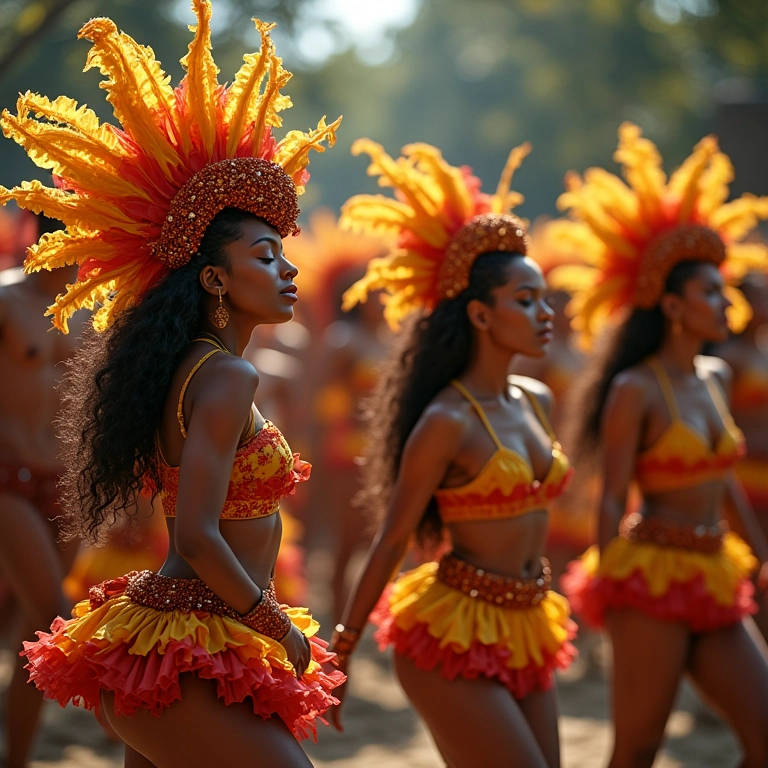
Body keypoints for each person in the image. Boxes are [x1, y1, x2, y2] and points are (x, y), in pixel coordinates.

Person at [5, 3, 343, 765]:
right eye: (266, 256)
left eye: (284, 256)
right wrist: (280, 625)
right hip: (195, 643)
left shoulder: (191, 365)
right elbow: (195, 533)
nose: (289, 271)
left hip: (183, 639)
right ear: (217, 278)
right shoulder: (224, 373)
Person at [329, 139, 576, 768]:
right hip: (451, 632)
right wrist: (344, 646)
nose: (544, 314)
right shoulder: (447, 418)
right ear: (481, 315)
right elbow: (390, 539)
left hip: (530, 621)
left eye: (544, 299)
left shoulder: (537, 398)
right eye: (526, 301)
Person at [558, 123, 768, 768]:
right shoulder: (633, 389)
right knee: (639, 748)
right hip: (648, 577)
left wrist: (759, 555)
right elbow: (612, 494)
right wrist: (612, 586)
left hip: (716, 571)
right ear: (673, 306)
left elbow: (724, 475)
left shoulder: (716, 375)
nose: (724, 301)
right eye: (709, 291)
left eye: (723, 288)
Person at [0, 212, 84, 768]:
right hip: (7, 477)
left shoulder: (95, 312)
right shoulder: (6, 301)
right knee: (54, 617)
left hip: (68, 486)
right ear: (36, 232)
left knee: (31, 632)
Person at [715, 268, 768, 641]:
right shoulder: (728, 359)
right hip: (743, 481)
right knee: (754, 565)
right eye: (759, 295)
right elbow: (721, 429)